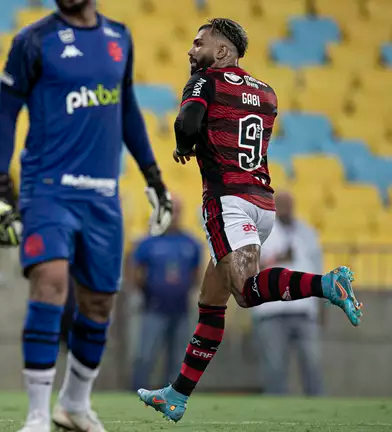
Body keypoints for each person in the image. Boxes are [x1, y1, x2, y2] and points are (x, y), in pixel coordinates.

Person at [137, 18, 362, 423]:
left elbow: (187, 122)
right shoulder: (268, 93)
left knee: (244, 291)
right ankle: (177, 395)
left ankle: (326, 284)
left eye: (199, 43)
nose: (191, 51)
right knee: (211, 303)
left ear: (223, 51)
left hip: (228, 201)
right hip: (262, 204)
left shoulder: (206, 81)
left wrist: (183, 146)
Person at [0, 1, 173, 431]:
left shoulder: (120, 38)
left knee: (100, 302)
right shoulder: (32, 42)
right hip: (48, 189)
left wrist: (153, 176)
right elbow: (7, 112)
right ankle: (35, 414)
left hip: (103, 195)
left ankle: (74, 404)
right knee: (50, 282)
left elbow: (127, 111)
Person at [252, 191, 325, 396]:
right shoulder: (260, 231)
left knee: (312, 362)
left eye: (288, 203)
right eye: (280, 204)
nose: (285, 207)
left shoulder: (307, 232)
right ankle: (275, 409)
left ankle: (319, 406)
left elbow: (317, 267)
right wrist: (279, 257)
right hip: (271, 310)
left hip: (304, 308)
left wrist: (323, 303)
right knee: (274, 365)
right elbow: (250, 267)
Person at [129, 195, 202, 391]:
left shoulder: (191, 243)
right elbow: (136, 272)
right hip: (153, 308)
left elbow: (196, 274)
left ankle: (169, 397)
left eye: (177, 210)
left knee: (177, 357)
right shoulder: (148, 242)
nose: (174, 215)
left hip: (181, 309)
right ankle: (136, 392)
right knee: (146, 355)